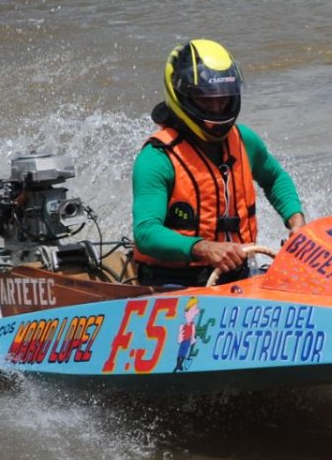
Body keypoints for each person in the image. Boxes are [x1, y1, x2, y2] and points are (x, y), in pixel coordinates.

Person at [131, 39, 306, 286]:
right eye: (205, 100)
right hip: (173, 282)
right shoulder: (157, 157)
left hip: (239, 276)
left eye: (222, 99)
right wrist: (203, 248)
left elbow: (274, 178)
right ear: (181, 97)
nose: (216, 108)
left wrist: (296, 222)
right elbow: (146, 233)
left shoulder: (245, 140)